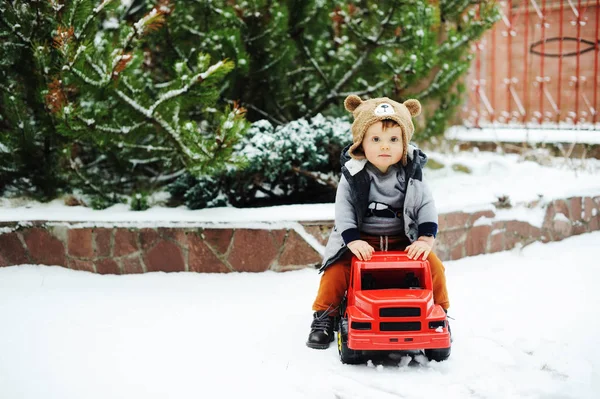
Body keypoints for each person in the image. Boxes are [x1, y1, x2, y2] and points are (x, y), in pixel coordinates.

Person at [306, 94, 450, 349]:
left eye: (394, 139)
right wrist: (352, 239)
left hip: (401, 239)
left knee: (434, 266)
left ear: (404, 143)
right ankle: (324, 316)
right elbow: (344, 209)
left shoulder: (411, 173)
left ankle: (438, 314)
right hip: (361, 240)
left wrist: (426, 238)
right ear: (361, 142)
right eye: (376, 139)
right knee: (335, 272)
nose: (385, 146)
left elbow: (426, 204)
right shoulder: (354, 173)